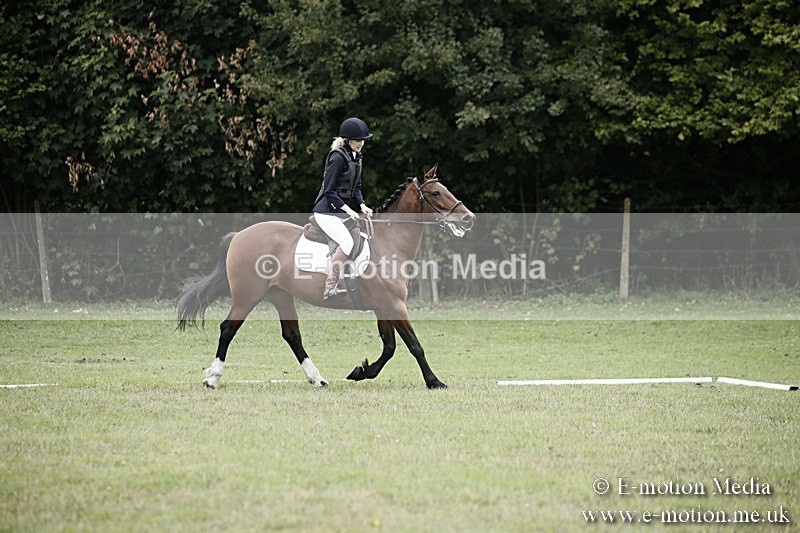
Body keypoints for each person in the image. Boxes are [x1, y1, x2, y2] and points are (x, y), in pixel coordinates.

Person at [312, 117, 374, 299]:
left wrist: (362, 205)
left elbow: (356, 188)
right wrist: (349, 210)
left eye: (362, 140)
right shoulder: (338, 158)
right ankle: (330, 287)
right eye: (357, 140)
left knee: (357, 235)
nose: (361, 144)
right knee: (346, 242)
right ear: (347, 140)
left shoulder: (357, 158)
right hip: (326, 211)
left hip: (339, 212)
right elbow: (329, 191)